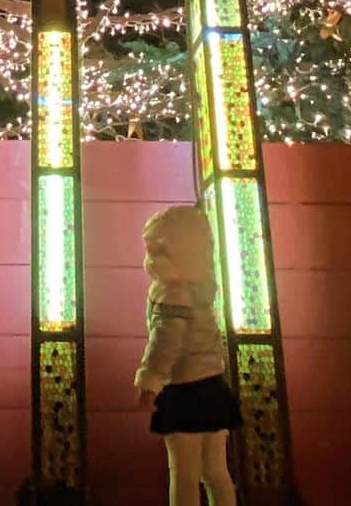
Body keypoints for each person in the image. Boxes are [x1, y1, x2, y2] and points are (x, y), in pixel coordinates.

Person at [134, 205, 241, 506]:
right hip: (212, 388)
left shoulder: (171, 294)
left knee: (183, 474)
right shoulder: (201, 290)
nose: (150, 260)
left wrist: (149, 382)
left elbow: (165, 343)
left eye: (158, 251)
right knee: (216, 471)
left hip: (183, 391)